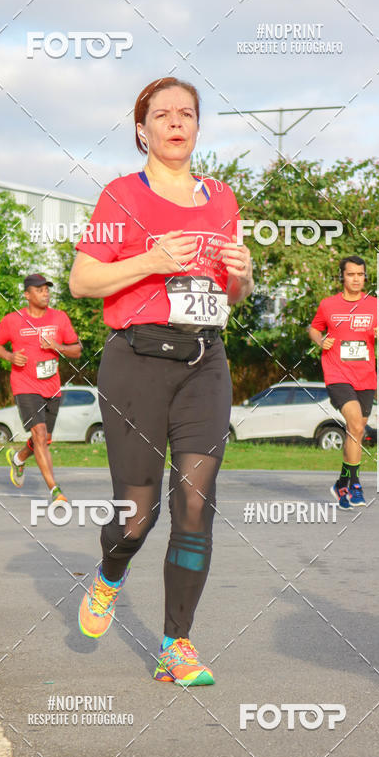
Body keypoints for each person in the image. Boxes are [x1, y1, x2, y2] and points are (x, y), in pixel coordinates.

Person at [69, 76, 253, 686]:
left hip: (206, 362)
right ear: (142, 130)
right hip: (137, 361)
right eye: (163, 114)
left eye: (188, 114)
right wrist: (151, 259)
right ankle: (110, 575)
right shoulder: (121, 195)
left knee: (195, 503)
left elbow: (232, 294)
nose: (176, 122)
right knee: (136, 516)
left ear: (198, 126)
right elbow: (81, 282)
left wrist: (245, 275)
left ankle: (177, 644)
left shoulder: (223, 197)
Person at [0, 274, 81, 503]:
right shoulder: (13, 320)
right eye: (39, 290)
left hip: (52, 387)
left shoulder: (59, 318)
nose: (45, 293)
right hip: (25, 385)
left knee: (44, 439)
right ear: (27, 295)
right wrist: (10, 356)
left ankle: (19, 458)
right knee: (39, 434)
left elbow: (77, 349)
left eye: (47, 289)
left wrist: (57, 346)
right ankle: (55, 490)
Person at [308, 256, 379, 510]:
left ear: (365, 277)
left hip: (365, 377)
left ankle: (341, 483)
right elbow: (314, 328)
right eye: (351, 274)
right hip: (337, 374)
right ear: (342, 276)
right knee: (354, 423)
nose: (356, 279)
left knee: (357, 431)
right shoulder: (328, 305)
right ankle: (355, 484)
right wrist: (321, 341)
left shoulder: (375, 305)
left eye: (360, 274)